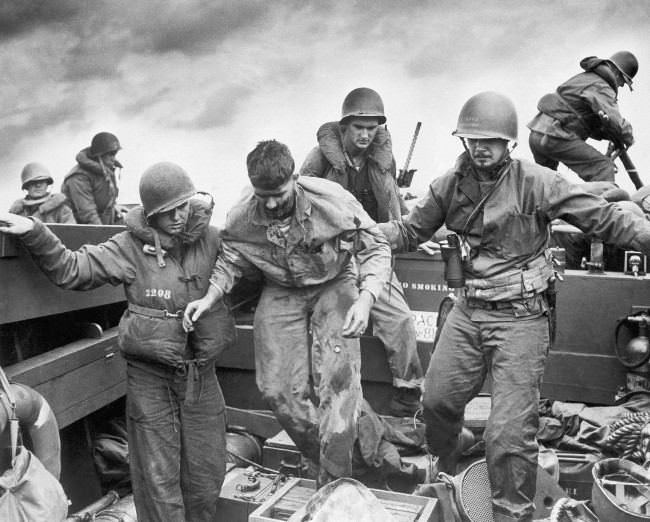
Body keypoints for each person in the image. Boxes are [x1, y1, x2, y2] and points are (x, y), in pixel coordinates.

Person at [380, 91, 650, 521]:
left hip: (522, 318)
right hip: (469, 311)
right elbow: (409, 231)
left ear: (509, 143)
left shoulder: (537, 181)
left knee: (508, 436)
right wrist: (362, 233)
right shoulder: (449, 185)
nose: (480, 147)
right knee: (436, 402)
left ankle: (512, 515)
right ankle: (449, 470)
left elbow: (603, 216)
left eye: (490, 140)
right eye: (472, 139)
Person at [0, 163, 235, 522]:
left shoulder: (213, 239)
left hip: (201, 378)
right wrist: (36, 231)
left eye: (182, 208)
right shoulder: (128, 247)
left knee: (206, 475)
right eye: (166, 212)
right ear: (151, 215)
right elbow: (71, 268)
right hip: (150, 380)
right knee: (157, 485)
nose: (176, 218)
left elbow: (246, 262)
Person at [184, 140, 418, 488]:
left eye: (279, 193)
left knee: (337, 384)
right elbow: (231, 259)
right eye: (264, 196)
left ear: (295, 178)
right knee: (276, 389)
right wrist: (210, 297)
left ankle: (335, 483)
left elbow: (376, 247)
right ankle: (344, 452)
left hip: (334, 281)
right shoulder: (242, 215)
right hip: (282, 288)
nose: (272, 203)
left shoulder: (333, 201)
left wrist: (366, 299)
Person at [299, 87, 423, 417]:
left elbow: (394, 210)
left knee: (401, 320)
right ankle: (330, 401)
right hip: (331, 255)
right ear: (344, 128)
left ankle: (407, 395)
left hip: (371, 250)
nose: (366, 134)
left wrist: (400, 237)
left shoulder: (383, 162)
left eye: (372, 128)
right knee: (330, 329)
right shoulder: (320, 158)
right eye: (359, 127)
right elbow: (299, 204)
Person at [528, 51, 638, 186]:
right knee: (603, 168)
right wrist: (628, 137)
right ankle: (602, 206)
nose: (621, 86)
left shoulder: (586, 79)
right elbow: (616, 122)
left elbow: (583, 120)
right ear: (616, 72)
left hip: (538, 133)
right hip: (555, 135)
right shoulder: (601, 85)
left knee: (546, 186)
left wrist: (608, 135)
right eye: (623, 81)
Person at [61, 131, 125, 224]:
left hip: (102, 224)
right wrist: (102, 234)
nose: (114, 158)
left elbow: (107, 197)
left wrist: (114, 206)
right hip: (81, 231)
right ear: (99, 155)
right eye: (111, 154)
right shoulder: (79, 177)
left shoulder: (106, 171)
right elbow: (88, 214)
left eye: (115, 154)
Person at [9, 162, 75, 223]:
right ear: (26, 186)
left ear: (47, 184)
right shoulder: (16, 212)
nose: (38, 185)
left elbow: (71, 233)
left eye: (42, 182)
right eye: (33, 182)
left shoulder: (61, 210)